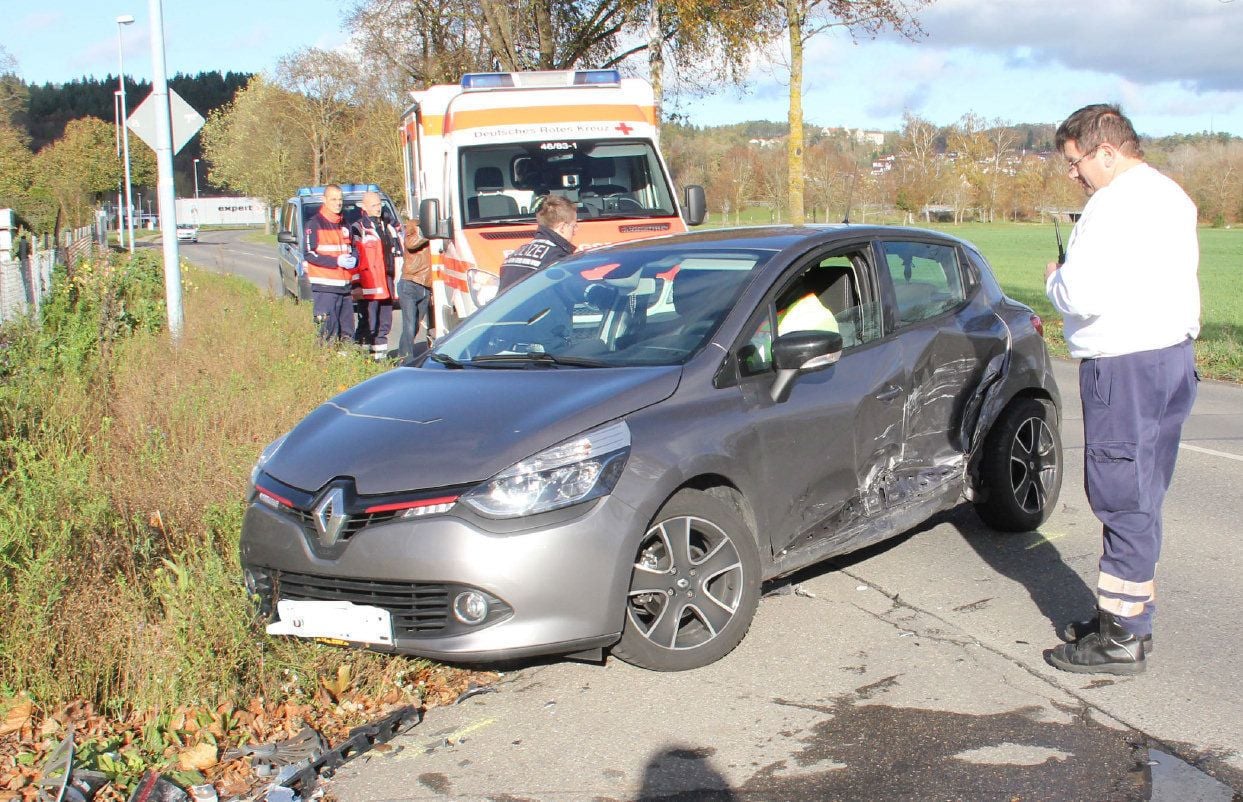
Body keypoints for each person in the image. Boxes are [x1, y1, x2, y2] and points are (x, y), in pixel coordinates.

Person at [1043, 104, 1200, 675]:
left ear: (1105, 151)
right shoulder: (1171, 196)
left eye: (1076, 162)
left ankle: (1122, 639)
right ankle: (1128, 616)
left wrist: (1054, 280)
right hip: (1171, 359)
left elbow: (1080, 294)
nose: (1074, 175)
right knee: (1144, 494)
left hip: (1125, 366)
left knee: (1120, 496)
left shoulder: (1112, 205)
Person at [303, 184, 359, 343]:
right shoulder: (314, 224)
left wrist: (354, 257)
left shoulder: (345, 224)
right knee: (327, 333)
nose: (338, 203)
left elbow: (353, 248)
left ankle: (346, 364)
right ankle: (326, 364)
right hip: (325, 287)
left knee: (347, 334)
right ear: (324, 200)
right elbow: (309, 253)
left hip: (345, 287)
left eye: (340, 199)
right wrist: (336, 261)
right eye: (333, 199)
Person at [351, 191, 398, 360]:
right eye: (373, 206)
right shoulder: (358, 228)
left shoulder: (389, 226)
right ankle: (362, 359)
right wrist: (356, 285)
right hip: (369, 284)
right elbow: (354, 258)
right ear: (364, 207)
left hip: (387, 281)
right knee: (368, 323)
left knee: (385, 322)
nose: (378, 209)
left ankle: (379, 358)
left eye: (379, 205)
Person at [496, 195, 578, 292]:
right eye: (574, 225)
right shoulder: (556, 257)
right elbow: (572, 294)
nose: (576, 230)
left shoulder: (514, 255)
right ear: (562, 227)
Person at [399, 221, 433, 360]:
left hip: (425, 285)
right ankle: (406, 360)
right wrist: (431, 233)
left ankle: (402, 355)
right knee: (409, 325)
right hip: (410, 283)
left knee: (415, 325)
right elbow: (410, 244)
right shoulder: (415, 225)